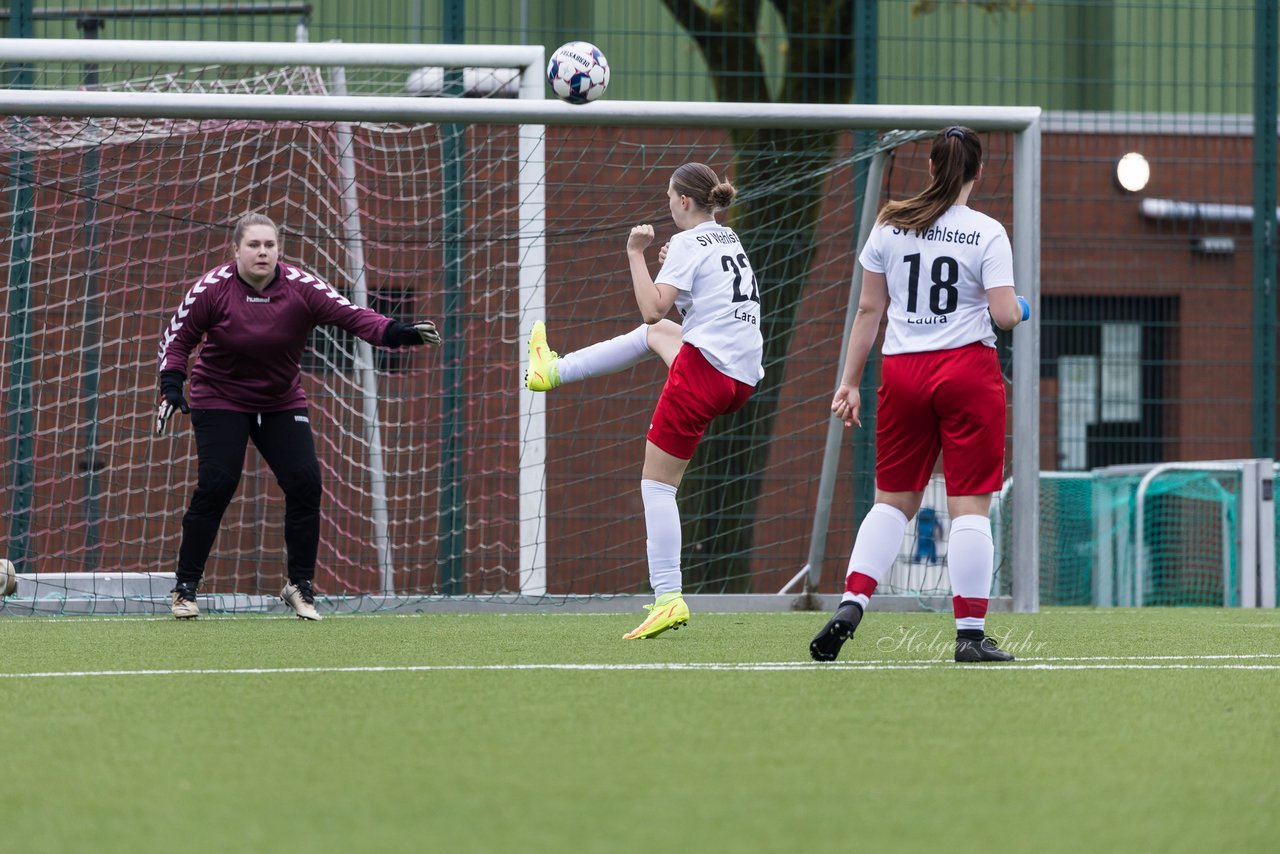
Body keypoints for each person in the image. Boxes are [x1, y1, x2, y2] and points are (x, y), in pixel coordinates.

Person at [808, 126, 1029, 664]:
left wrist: (849, 382)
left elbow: (868, 311)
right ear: (978, 173)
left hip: (903, 372)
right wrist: (1024, 306)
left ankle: (852, 601)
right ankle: (970, 637)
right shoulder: (987, 232)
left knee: (893, 502)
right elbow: (1003, 315)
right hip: (967, 373)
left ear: (929, 168)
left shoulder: (890, 223)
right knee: (970, 506)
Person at [155, 213, 441, 620]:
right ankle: (185, 587)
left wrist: (399, 332)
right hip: (220, 397)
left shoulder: (301, 287)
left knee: (305, 483)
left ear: (278, 251)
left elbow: (353, 316)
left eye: (269, 245)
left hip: (280, 401)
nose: (262, 252)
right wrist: (170, 385)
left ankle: (299, 586)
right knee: (217, 484)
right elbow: (178, 339)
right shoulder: (212, 289)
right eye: (253, 245)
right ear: (235, 250)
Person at [525, 162, 763, 640]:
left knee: (657, 487)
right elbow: (677, 310)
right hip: (741, 378)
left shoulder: (691, 242)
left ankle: (667, 597)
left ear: (682, 202)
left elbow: (653, 302)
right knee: (655, 334)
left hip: (705, 374)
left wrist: (636, 253)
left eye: (668, 197)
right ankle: (551, 370)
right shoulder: (726, 237)